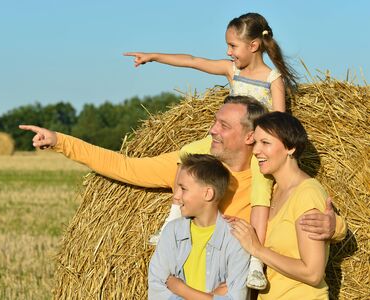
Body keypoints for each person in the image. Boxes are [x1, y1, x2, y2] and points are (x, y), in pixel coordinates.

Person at [19, 95, 345, 291]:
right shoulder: (194, 168)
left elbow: (305, 207)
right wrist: (61, 141)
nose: (212, 130)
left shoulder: (269, 175)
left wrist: (336, 228)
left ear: (251, 137)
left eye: (223, 126)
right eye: (214, 122)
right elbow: (127, 167)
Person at [124, 12, 298, 289]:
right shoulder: (234, 71)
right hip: (229, 140)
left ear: (253, 45)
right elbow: (194, 61)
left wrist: (270, 151)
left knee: (261, 194)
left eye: (233, 46)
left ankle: (255, 262)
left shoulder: (273, 78)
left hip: (255, 146)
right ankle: (173, 220)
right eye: (228, 46)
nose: (228, 52)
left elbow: (279, 120)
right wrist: (154, 56)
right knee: (187, 156)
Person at [231, 112, 331, 299]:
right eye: (255, 142)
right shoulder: (274, 191)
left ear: (290, 147)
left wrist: (257, 249)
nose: (255, 150)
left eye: (265, 143)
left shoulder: (307, 194)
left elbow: (313, 273)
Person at [148, 154, 249, 299]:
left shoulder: (235, 240)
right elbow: (156, 293)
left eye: (183, 188)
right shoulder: (172, 233)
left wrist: (181, 289)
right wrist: (210, 296)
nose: (176, 196)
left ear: (207, 194)